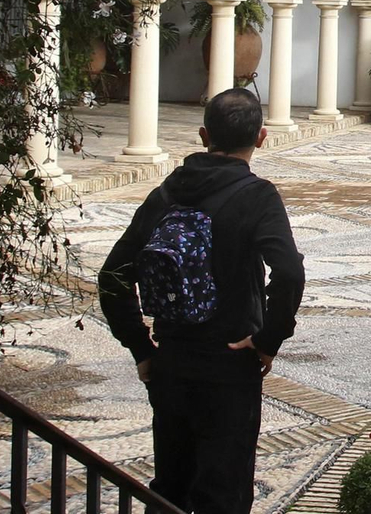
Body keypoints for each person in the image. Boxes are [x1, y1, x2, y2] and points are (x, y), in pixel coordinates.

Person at [99, 87, 305, 513]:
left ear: (202, 134)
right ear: (262, 137)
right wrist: (268, 339)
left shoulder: (167, 193)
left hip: (171, 360)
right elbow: (288, 271)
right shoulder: (257, 196)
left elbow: (113, 276)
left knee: (170, 486)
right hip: (231, 361)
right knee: (224, 492)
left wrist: (141, 347)